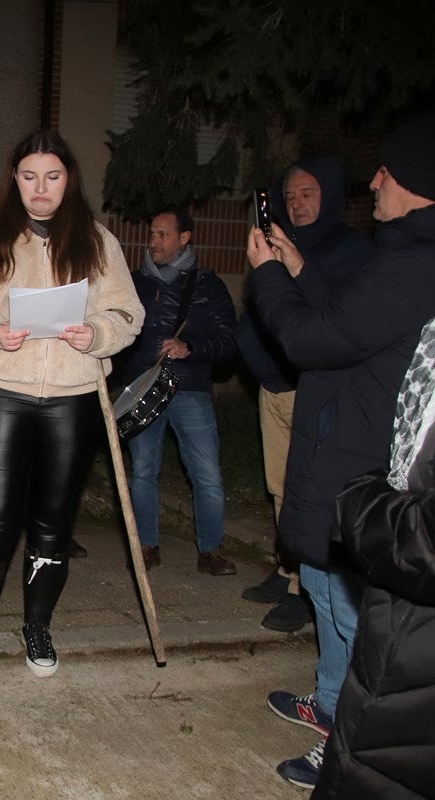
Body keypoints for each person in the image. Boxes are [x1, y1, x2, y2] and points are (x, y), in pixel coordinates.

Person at [247, 114, 435, 790]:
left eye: (387, 171)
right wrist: (297, 267)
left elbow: (314, 341)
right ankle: (327, 704)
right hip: (339, 442)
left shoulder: (417, 261)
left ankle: (348, 744)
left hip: (362, 457)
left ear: (419, 184)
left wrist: (268, 277)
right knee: (327, 585)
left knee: (360, 614)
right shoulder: (396, 251)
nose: (375, 180)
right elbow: (348, 318)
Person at [0, 130, 143, 689]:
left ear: (69, 180)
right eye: (29, 176)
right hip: (4, 393)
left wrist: (96, 331)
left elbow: (128, 312)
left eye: (52, 176)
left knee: (53, 526)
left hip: (73, 400)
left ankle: (37, 628)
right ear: (14, 180)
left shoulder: (99, 242)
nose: (40, 188)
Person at [237, 156, 373, 632]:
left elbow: (339, 321)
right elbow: (260, 310)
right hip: (274, 387)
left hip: (318, 392)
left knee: (312, 491)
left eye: (308, 194)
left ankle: (303, 591)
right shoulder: (278, 243)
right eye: (289, 196)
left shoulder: (353, 251)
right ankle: (287, 568)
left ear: (330, 195)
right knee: (281, 486)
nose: (296, 205)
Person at [116, 209, 238, 576]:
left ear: (185, 238)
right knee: (142, 471)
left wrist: (191, 348)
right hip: (142, 388)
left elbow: (230, 340)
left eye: (162, 235)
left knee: (207, 475)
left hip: (190, 388)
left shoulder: (206, 284)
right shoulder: (132, 283)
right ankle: (147, 546)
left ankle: (211, 551)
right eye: (152, 234)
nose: (153, 242)